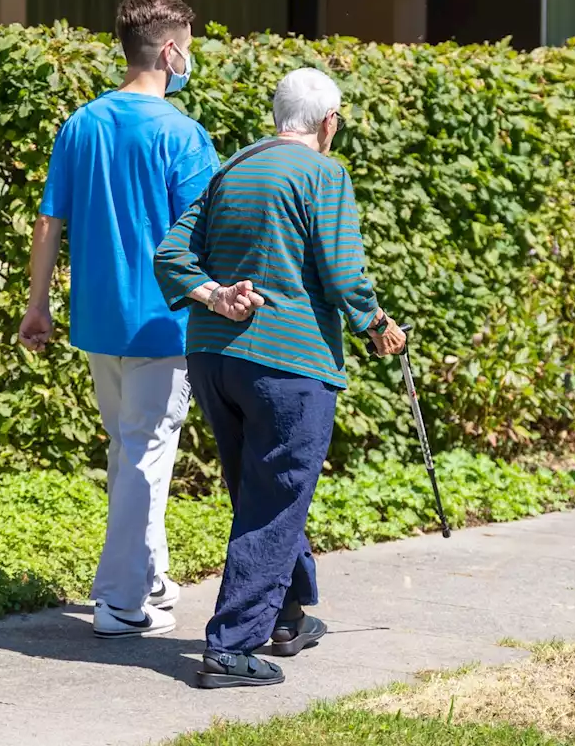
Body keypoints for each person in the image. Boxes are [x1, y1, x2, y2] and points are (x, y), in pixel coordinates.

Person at [19, 0, 263, 639]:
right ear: (170, 50)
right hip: (164, 321)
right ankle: (118, 599)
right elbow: (216, 229)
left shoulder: (81, 124)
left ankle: (149, 579)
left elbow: (50, 219)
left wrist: (36, 303)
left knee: (131, 454)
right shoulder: (182, 134)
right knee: (146, 456)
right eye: (190, 45)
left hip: (99, 318)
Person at [154, 67, 407, 688]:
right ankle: (232, 648)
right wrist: (377, 323)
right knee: (276, 498)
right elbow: (343, 276)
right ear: (329, 122)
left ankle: (288, 619)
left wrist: (215, 297)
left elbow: (170, 256)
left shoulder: (231, 168)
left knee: (261, 489)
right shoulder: (325, 173)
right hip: (288, 363)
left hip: (215, 359)